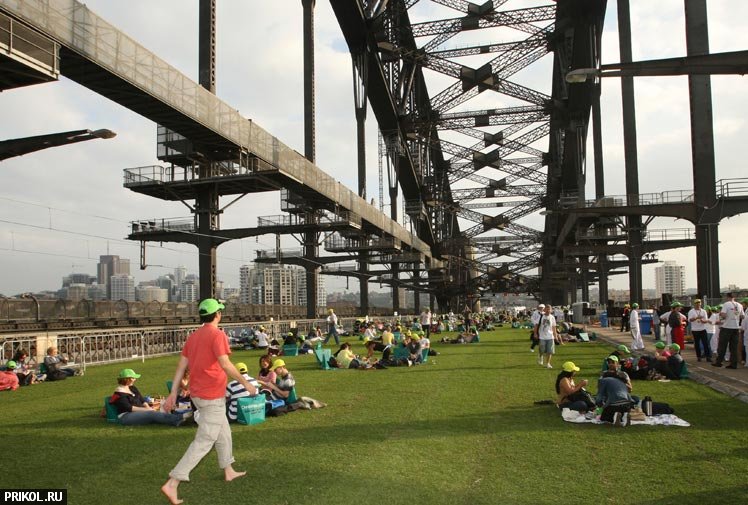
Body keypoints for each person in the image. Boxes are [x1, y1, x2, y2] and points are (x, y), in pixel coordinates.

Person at [161, 299, 257, 505]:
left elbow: (180, 368)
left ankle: (228, 470)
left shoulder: (193, 337)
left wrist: (173, 393)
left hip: (198, 395)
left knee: (224, 433)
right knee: (204, 440)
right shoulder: (218, 335)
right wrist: (246, 384)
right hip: (211, 396)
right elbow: (226, 364)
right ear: (218, 315)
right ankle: (173, 482)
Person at [110, 368, 185, 426]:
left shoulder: (132, 388)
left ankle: (178, 416)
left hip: (139, 411)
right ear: (127, 379)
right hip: (126, 416)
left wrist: (147, 407)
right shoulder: (119, 393)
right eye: (133, 378)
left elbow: (141, 399)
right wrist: (146, 409)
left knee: (157, 409)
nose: (135, 379)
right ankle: (178, 419)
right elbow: (129, 408)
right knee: (151, 414)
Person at [714, 293, 745, 369]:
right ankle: (733, 364)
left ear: (727, 297)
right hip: (736, 328)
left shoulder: (726, 304)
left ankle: (719, 362)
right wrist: (735, 316)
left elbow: (724, 315)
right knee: (733, 347)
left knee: (722, 346)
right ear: (734, 297)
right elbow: (742, 316)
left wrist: (721, 314)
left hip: (727, 327)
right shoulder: (739, 305)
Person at [538, 304, 558, 369]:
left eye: (549, 309)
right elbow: (536, 325)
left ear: (551, 310)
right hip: (542, 336)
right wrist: (535, 333)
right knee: (542, 350)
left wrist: (555, 336)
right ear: (544, 309)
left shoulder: (552, 317)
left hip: (550, 337)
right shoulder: (541, 316)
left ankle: (548, 363)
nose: (548, 310)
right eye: (547, 309)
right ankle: (540, 356)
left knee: (550, 351)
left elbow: (554, 327)